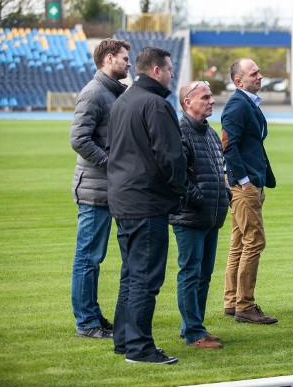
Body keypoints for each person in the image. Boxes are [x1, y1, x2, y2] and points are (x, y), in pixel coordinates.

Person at [107, 46, 187, 364]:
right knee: (146, 277)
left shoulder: (123, 100)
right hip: (147, 201)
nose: (171, 74)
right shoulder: (156, 104)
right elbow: (170, 156)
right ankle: (139, 347)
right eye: (168, 69)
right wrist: (182, 190)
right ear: (156, 71)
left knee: (131, 273)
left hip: (124, 198)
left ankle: (125, 340)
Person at [69, 38, 131, 339]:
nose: (129, 63)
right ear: (108, 59)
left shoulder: (113, 93)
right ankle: (85, 322)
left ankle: (92, 314)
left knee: (95, 256)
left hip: (109, 188)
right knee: (88, 257)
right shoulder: (94, 93)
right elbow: (79, 139)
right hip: (94, 189)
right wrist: (112, 164)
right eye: (124, 58)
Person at [169, 81, 231, 349]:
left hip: (210, 217)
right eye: (205, 97)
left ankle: (194, 326)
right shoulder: (180, 132)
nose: (212, 101)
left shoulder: (210, 133)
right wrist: (200, 199)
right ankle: (194, 333)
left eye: (211, 96)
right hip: (191, 217)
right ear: (187, 102)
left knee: (203, 274)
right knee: (191, 273)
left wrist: (224, 196)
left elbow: (219, 171)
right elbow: (178, 177)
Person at [221, 58, 278, 324]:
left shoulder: (245, 104)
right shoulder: (237, 105)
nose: (260, 76)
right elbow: (228, 146)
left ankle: (233, 301)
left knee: (238, 243)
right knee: (254, 241)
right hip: (244, 186)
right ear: (238, 81)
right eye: (254, 73)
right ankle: (245, 305)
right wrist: (244, 182)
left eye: (258, 71)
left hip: (247, 183)